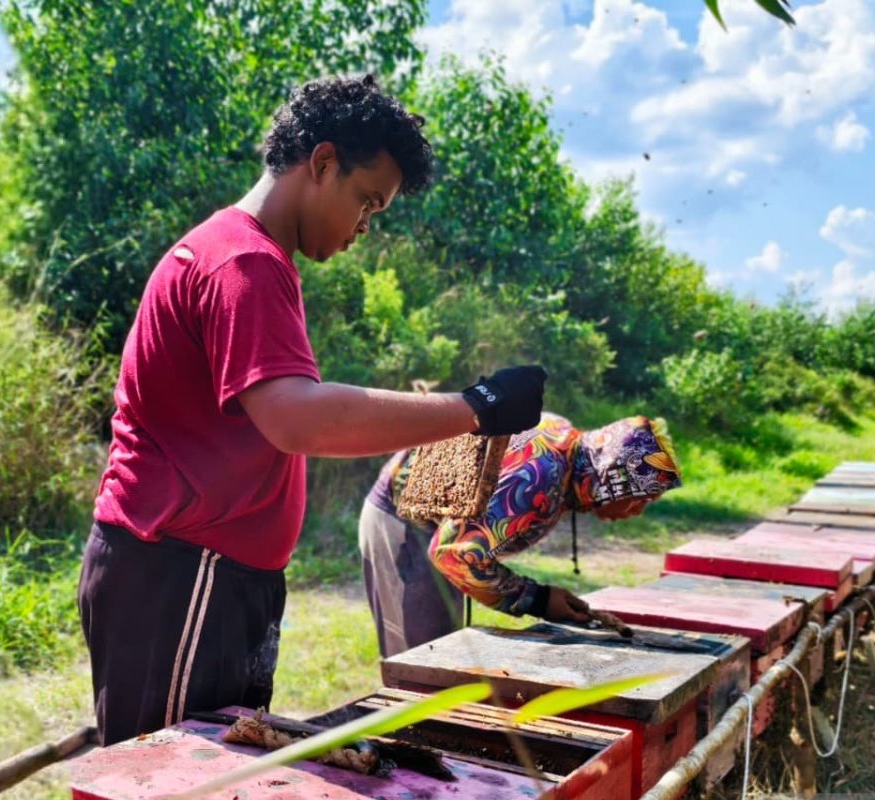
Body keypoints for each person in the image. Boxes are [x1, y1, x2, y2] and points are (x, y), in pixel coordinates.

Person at [78, 74, 547, 745]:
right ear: (322, 163)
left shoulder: (249, 258)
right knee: (170, 781)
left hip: (205, 578)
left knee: (215, 776)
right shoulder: (243, 263)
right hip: (181, 577)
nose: (364, 226)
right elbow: (301, 419)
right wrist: (477, 407)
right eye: (366, 202)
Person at [360, 413, 682, 657]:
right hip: (403, 525)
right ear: (614, 475)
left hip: (432, 528)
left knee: (442, 648)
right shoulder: (542, 474)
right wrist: (538, 599)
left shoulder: (566, 448)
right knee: (422, 660)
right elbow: (454, 554)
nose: (637, 512)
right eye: (642, 499)